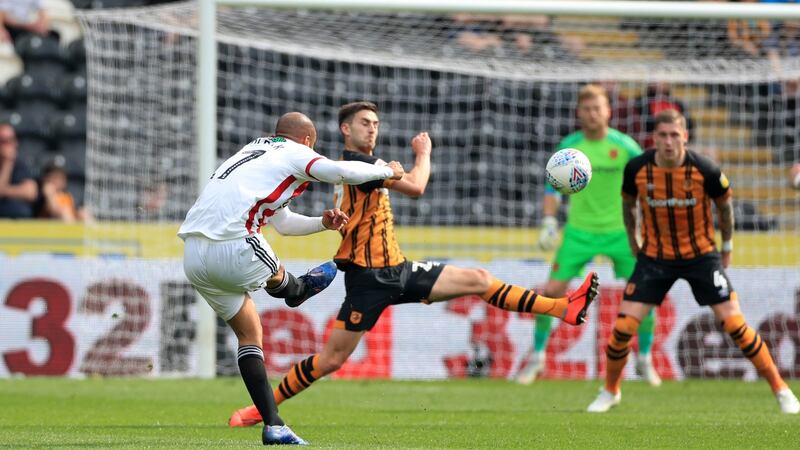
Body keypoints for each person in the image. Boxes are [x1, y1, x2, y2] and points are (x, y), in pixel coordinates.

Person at [227, 101, 600, 428]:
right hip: (368, 279)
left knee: (479, 279)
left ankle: (562, 308)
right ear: (345, 129)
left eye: (375, 123)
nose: (372, 128)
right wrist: (424, 152)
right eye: (364, 123)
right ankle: (263, 409)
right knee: (331, 359)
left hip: (398, 269)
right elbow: (418, 185)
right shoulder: (358, 165)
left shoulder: (361, 167)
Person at [178, 112, 406, 445]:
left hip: (193, 255)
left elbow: (282, 222)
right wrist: (389, 171)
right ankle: (296, 290)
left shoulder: (252, 153)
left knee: (251, 333)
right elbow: (340, 171)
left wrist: (322, 224)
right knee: (292, 290)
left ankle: (274, 425)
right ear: (308, 141)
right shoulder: (293, 151)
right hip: (231, 242)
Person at [587, 109, 800, 414]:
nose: (669, 142)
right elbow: (628, 205)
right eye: (663, 135)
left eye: (675, 135)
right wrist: (634, 241)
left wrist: (726, 246)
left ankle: (782, 390)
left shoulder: (706, 170)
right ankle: (610, 391)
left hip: (700, 256)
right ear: (654, 138)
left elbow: (726, 210)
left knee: (734, 324)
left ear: (685, 137)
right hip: (656, 257)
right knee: (622, 328)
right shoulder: (636, 169)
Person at [516, 84, 661, 386]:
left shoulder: (625, 147)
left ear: (608, 111)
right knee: (551, 291)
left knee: (644, 293)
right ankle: (537, 357)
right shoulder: (570, 147)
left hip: (621, 233)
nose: (593, 114)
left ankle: (645, 359)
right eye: (587, 109)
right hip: (579, 232)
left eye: (598, 108)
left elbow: (648, 183)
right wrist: (548, 222)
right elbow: (551, 189)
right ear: (579, 113)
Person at [0, 123, 37, 219]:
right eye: (3, 141)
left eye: (11, 140)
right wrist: (7, 164)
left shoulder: (21, 165)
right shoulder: (9, 162)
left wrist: (5, 190)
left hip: (20, 222)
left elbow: (31, 192)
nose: (8, 145)